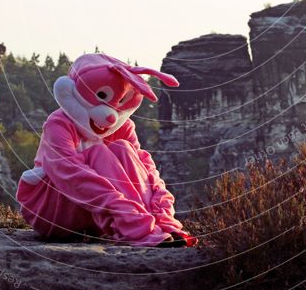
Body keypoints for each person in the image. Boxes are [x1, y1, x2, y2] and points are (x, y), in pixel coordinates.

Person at [16, 53, 198, 247]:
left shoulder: (123, 127)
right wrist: (124, 212)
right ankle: (135, 226)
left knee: (124, 149)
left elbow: (147, 171)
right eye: (102, 97)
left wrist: (162, 212)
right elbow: (70, 174)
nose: (111, 115)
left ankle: (151, 224)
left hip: (97, 217)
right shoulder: (58, 124)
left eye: (120, 102)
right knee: (98, 152)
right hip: (52, 211)